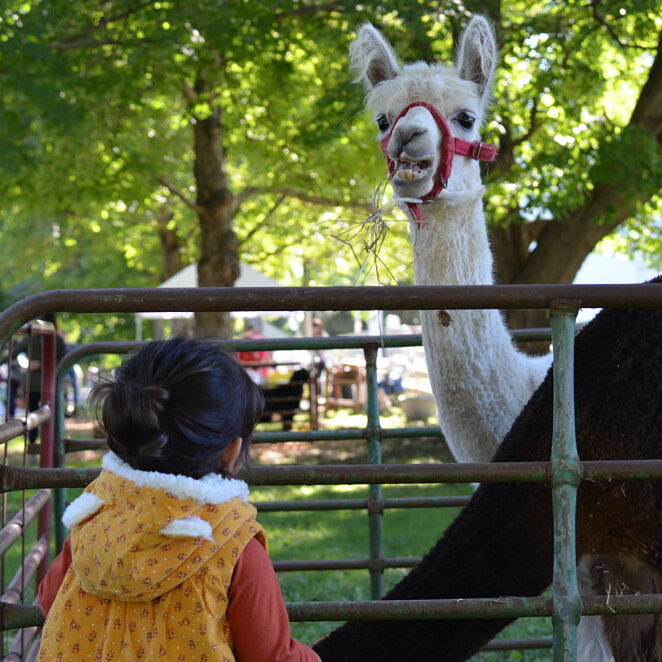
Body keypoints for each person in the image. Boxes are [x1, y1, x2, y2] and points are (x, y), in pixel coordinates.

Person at [36, 337, 320, 662]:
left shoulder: (95, 515)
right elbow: (271, 657)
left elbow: (50, 600)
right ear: (232, 451)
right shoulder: (234, 545)